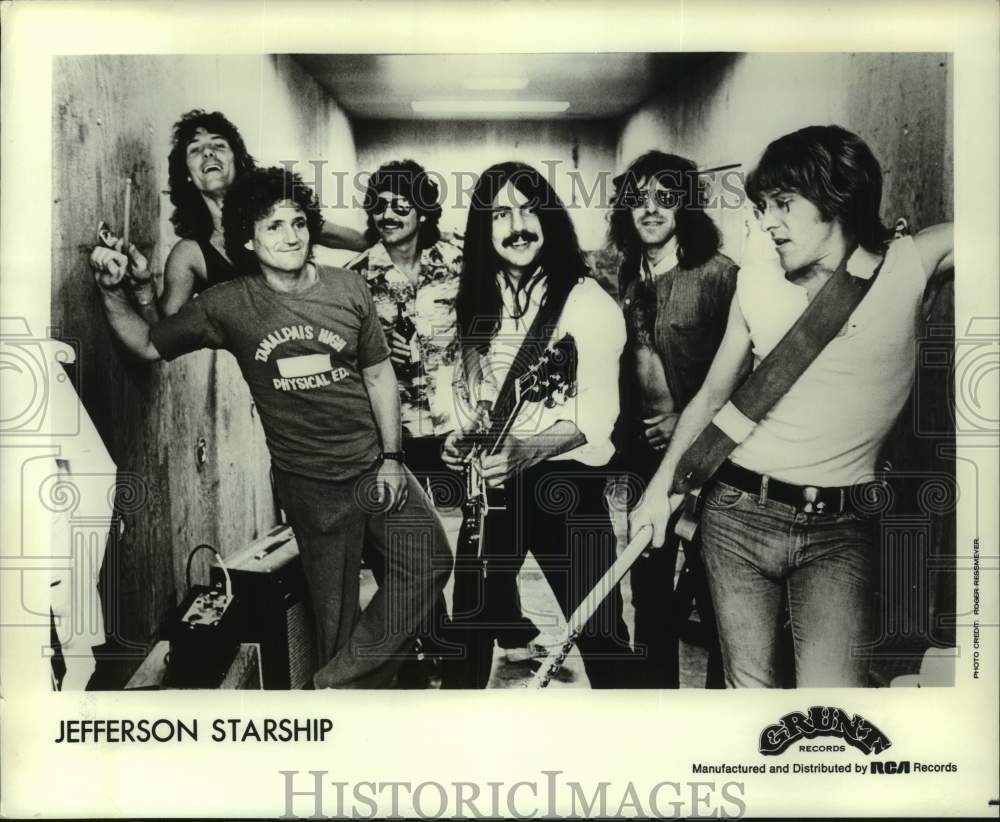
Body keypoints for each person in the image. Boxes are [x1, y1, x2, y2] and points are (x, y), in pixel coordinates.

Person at [91, 166, 451, 689]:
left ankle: (336, 682)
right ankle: (344, 702)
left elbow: (378, 373)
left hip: (375, 467)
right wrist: (113, 292)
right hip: (310, 487)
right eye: (274, 226)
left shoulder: (349, 287)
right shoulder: (227, 303)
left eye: (299, 222)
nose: (291, 235)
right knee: (334, 617)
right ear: (248, 239)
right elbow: (149, 345)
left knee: (429, 562)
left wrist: (393, 458)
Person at [628, 125, 953, 688]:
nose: (766, 221)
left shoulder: (909, 265)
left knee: (831, 707)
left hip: (841, 528)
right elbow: (711, 395)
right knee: (749, 696)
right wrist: (660, 492)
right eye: (762, 206)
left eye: (783, 204)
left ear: (838, 197)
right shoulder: (755, 282)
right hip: (737, 516)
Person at [443, 161, 638, 688]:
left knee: (602, 635)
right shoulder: (481, 300)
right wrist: (469, 428)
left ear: (550, 219)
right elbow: (474, 371)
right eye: (501, 214)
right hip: (492, 489)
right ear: (483, 230)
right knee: (468, 633)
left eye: (530, 211)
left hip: (565, 486)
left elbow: (598, 418)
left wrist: (526, 450)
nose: (517, 226)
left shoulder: (588, 303)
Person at [348, 159, 544, 670]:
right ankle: (433, 638)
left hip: (461, 423)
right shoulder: (353, 279)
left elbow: (498, 325)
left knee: (485, 533)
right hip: (393, 432)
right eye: (379, 204)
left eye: (401, 202)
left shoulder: (462, 259)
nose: (389, 214)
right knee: (409, 541)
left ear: (423, 207)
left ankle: (506, 627)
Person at [609, 150, 735, 688]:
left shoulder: (719, 276)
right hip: (643, 458)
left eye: (666, 198)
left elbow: (753, 376)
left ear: (688, 205)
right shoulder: (628, 274)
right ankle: (652, 707)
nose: (651, 210)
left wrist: (687, 418)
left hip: (713, 461)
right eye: (638, 200)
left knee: (721, 599)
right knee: (650, 591)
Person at [90, 109, 366, 322]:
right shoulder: (191, 254)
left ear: (238, 160)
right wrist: (142, 287)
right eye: (195, 149)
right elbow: (163, 333)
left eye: (219, 145)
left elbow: (362, 244)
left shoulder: (280, 209)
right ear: (187, 173)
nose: (208, 151)